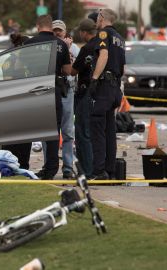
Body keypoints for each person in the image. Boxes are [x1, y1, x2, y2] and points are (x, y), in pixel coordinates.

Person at [24, 15, 71, 179]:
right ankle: (50, 169)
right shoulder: (60, 45)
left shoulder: (29, 43)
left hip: (31, 90)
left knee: (27, 128)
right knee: (52, 131)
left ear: (38, 26)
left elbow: (19, 66)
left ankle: (23, 165)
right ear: (51, 27)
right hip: (53, 90)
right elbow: (67, 70)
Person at [89, 9, 125, 180]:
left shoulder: (103, 33)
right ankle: (110, 170)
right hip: (115, 87)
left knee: (97, 128)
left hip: (104, 86)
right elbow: (122, 65)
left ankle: (99, 170)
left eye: (97, 17)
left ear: (102, 18)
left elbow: (103, 55)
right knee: (110, 129)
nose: (96, 20)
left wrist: (95, 78)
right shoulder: (119, 37)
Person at [70, 19, 99, 177]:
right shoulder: (101, 45)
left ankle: (87, 171)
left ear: (84, 32)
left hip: (85, 93)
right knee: (95, 133)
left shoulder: (87, 48)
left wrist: (67, 53)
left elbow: (73, 71)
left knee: (82, 133)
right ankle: (96, 168)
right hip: (99, 94)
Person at [52, 20, 79, 179]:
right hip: (52, 89)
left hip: (67, 90)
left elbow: (73, 70)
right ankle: (50, 164)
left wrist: (67, 50)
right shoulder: (48, 46)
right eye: (54, 31)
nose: (57, 33)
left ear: (65, 31)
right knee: (49, 131)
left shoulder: (74, 48)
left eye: (60, 31)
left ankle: (68, 166)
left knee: (68, 131)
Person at [1, 33, 32, 169]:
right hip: (13, 105)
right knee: (12, 138)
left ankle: (24, 165)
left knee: (26, 137)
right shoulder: (10, 61)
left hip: (26, 104)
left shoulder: (28, 61)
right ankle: (9, 165)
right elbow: (9, 85)